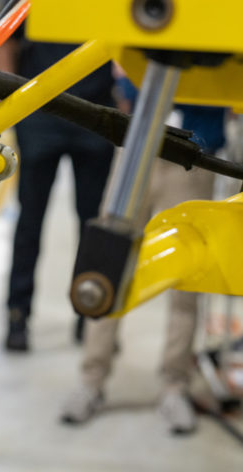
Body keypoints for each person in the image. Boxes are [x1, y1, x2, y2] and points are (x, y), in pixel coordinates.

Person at [59, 104, 228, 435]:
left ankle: (175, 385)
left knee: (188, 277)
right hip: (137, 148)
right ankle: (91, 380)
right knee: (106, 267)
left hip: (195, 154)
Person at [0, 0, 117, 352]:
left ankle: (89, 315)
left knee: (91, 224)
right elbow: (5, 43)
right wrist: (13, 101)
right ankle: (17, 316)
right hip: (41, 122)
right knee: (30, 221)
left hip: (95, 120)